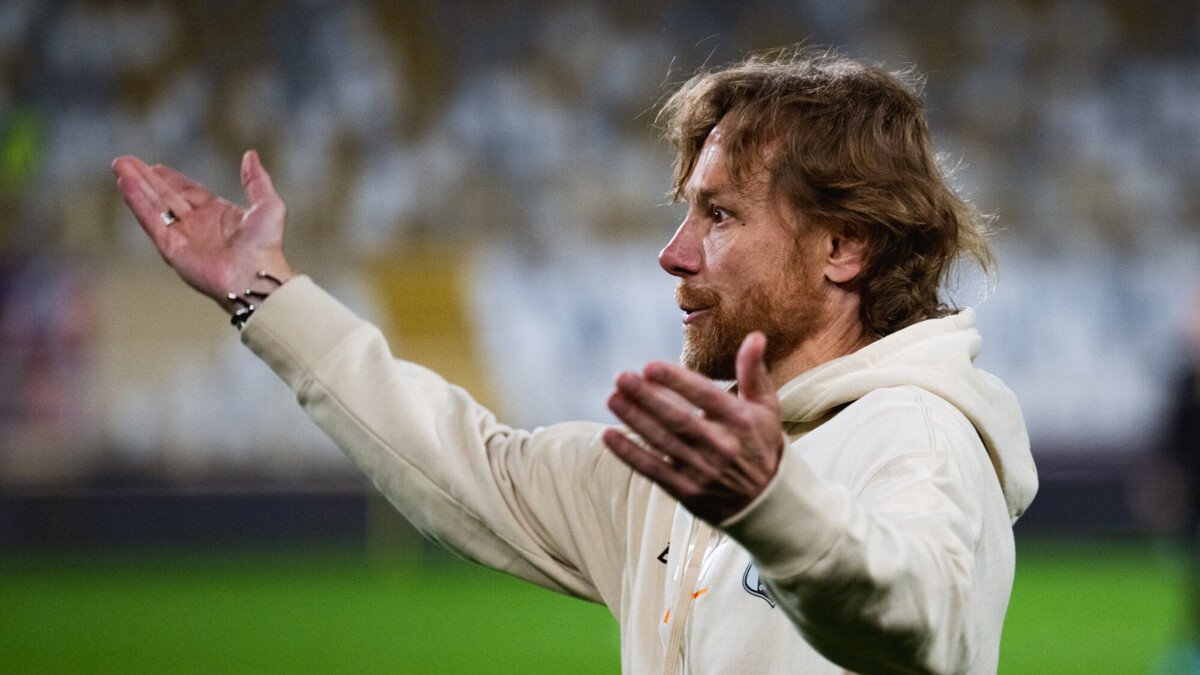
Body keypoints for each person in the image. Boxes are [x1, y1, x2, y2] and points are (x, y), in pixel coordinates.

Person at [113, 49, 1037, 673]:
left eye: (719, 215)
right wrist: (266, 295)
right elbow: (474, 467)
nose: (674, 253)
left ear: (845, 246)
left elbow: (925, 623)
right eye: (686, 212)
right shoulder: (692, 465)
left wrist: (774, 509)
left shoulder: (919, 433)